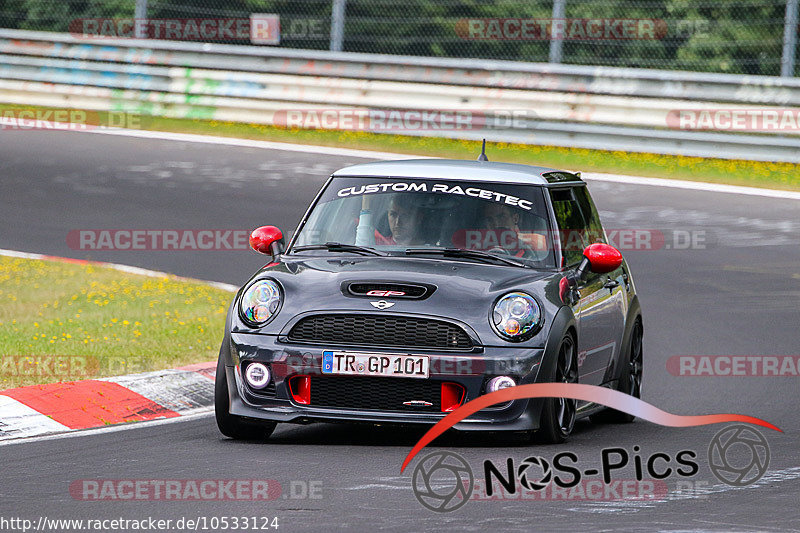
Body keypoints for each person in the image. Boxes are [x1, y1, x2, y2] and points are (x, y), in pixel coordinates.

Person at [480, 202, 545, 258]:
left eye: (502, 217)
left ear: (515, 218)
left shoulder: (534, 242)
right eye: (490, 219)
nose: (496, 224)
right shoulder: (478, 246)